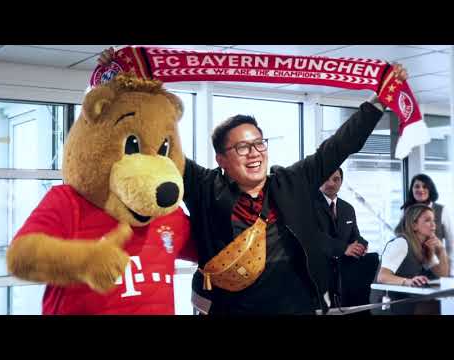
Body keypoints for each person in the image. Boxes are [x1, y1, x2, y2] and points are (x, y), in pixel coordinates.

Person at [98, 49, 407, 314]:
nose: (254, 153)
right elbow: (155, 141)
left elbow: (340, 145)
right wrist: (119, 84)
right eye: (242, 147)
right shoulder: (205, 188)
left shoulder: (292, 181)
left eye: (259, 143)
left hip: (297, 308)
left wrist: (379, 101)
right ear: (221, 159)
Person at [315, 168, 379, 309]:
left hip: (343, 275)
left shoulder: (347, 208)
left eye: (336, 179)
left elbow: (354, 235)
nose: (331, 183)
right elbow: (314, 236)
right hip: (317, 275)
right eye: (326, 178)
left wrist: (361, 245)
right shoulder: (308, 206)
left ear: (341, 182)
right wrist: (344, 248)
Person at [370, 204, 449, 315]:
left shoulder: (424, 246)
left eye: (434, 220)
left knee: (438, 305)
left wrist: (441, 250)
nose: (433, 225)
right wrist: (408, 281)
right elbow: (382, 277)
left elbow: (443, 274)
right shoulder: (401, 243)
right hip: (387, 304)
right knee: (434, 307)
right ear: (414, 225)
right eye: (427, 220)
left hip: (406, 298)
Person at [401, 173, 453, 275]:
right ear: (412, 190)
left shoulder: (442, 210)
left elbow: (451, 242)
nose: (420, 190)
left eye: (425, 186)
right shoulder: (406, 211)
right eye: (417, 186)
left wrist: (451, 272)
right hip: (413, 265)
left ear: (430, 189)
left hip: (437, 265)